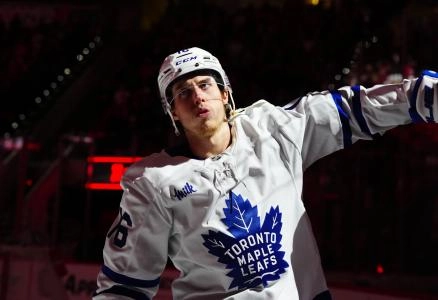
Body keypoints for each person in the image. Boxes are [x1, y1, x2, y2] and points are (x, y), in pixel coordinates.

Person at [93, 47, 438, 300]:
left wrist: (422, 96)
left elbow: (355, 108)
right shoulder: (153, 182)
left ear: (225, 94)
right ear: (174, 114)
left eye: (205, 85)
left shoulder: (275, 130)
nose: (197, 96)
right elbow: (122, 287)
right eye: (183, 93)